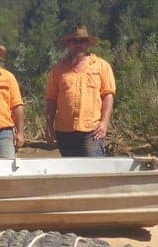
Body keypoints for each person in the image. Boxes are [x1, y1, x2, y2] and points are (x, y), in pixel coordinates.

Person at [44, 25, 116, 157]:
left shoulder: (102, 66)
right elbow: (51, 99)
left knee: (93, 168)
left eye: (82, 41)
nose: (78, 44)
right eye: (74, 41)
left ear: (88, 43)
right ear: (68, 44)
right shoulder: (58, 69)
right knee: (71, 168)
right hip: (65, 132)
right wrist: (49, 126)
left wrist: (104, 123)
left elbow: (108, 95)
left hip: (92, 131)